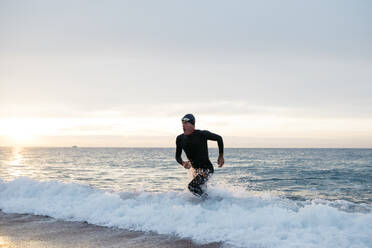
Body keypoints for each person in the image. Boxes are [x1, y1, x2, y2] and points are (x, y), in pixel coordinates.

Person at [175, 114, 224, 197]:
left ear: (192, 124)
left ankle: (208, 202)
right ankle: (208, 204)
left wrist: (220, 155)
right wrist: (183, 163)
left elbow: (219, 138)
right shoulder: (180, 139)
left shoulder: (201, 134)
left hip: (207, 169)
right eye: (182, 122)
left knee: (192, 186)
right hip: (196, 170)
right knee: (200, 188)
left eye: (186, 122)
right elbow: (177, 156)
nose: (183, 125)